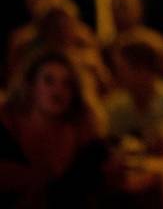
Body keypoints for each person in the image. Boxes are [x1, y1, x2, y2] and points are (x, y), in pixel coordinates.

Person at [0, 50, 108, 208]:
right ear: (31, 85)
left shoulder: (85, 137)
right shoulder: (7, 125)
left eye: (67, 84)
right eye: (49, 81)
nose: (58, 91)